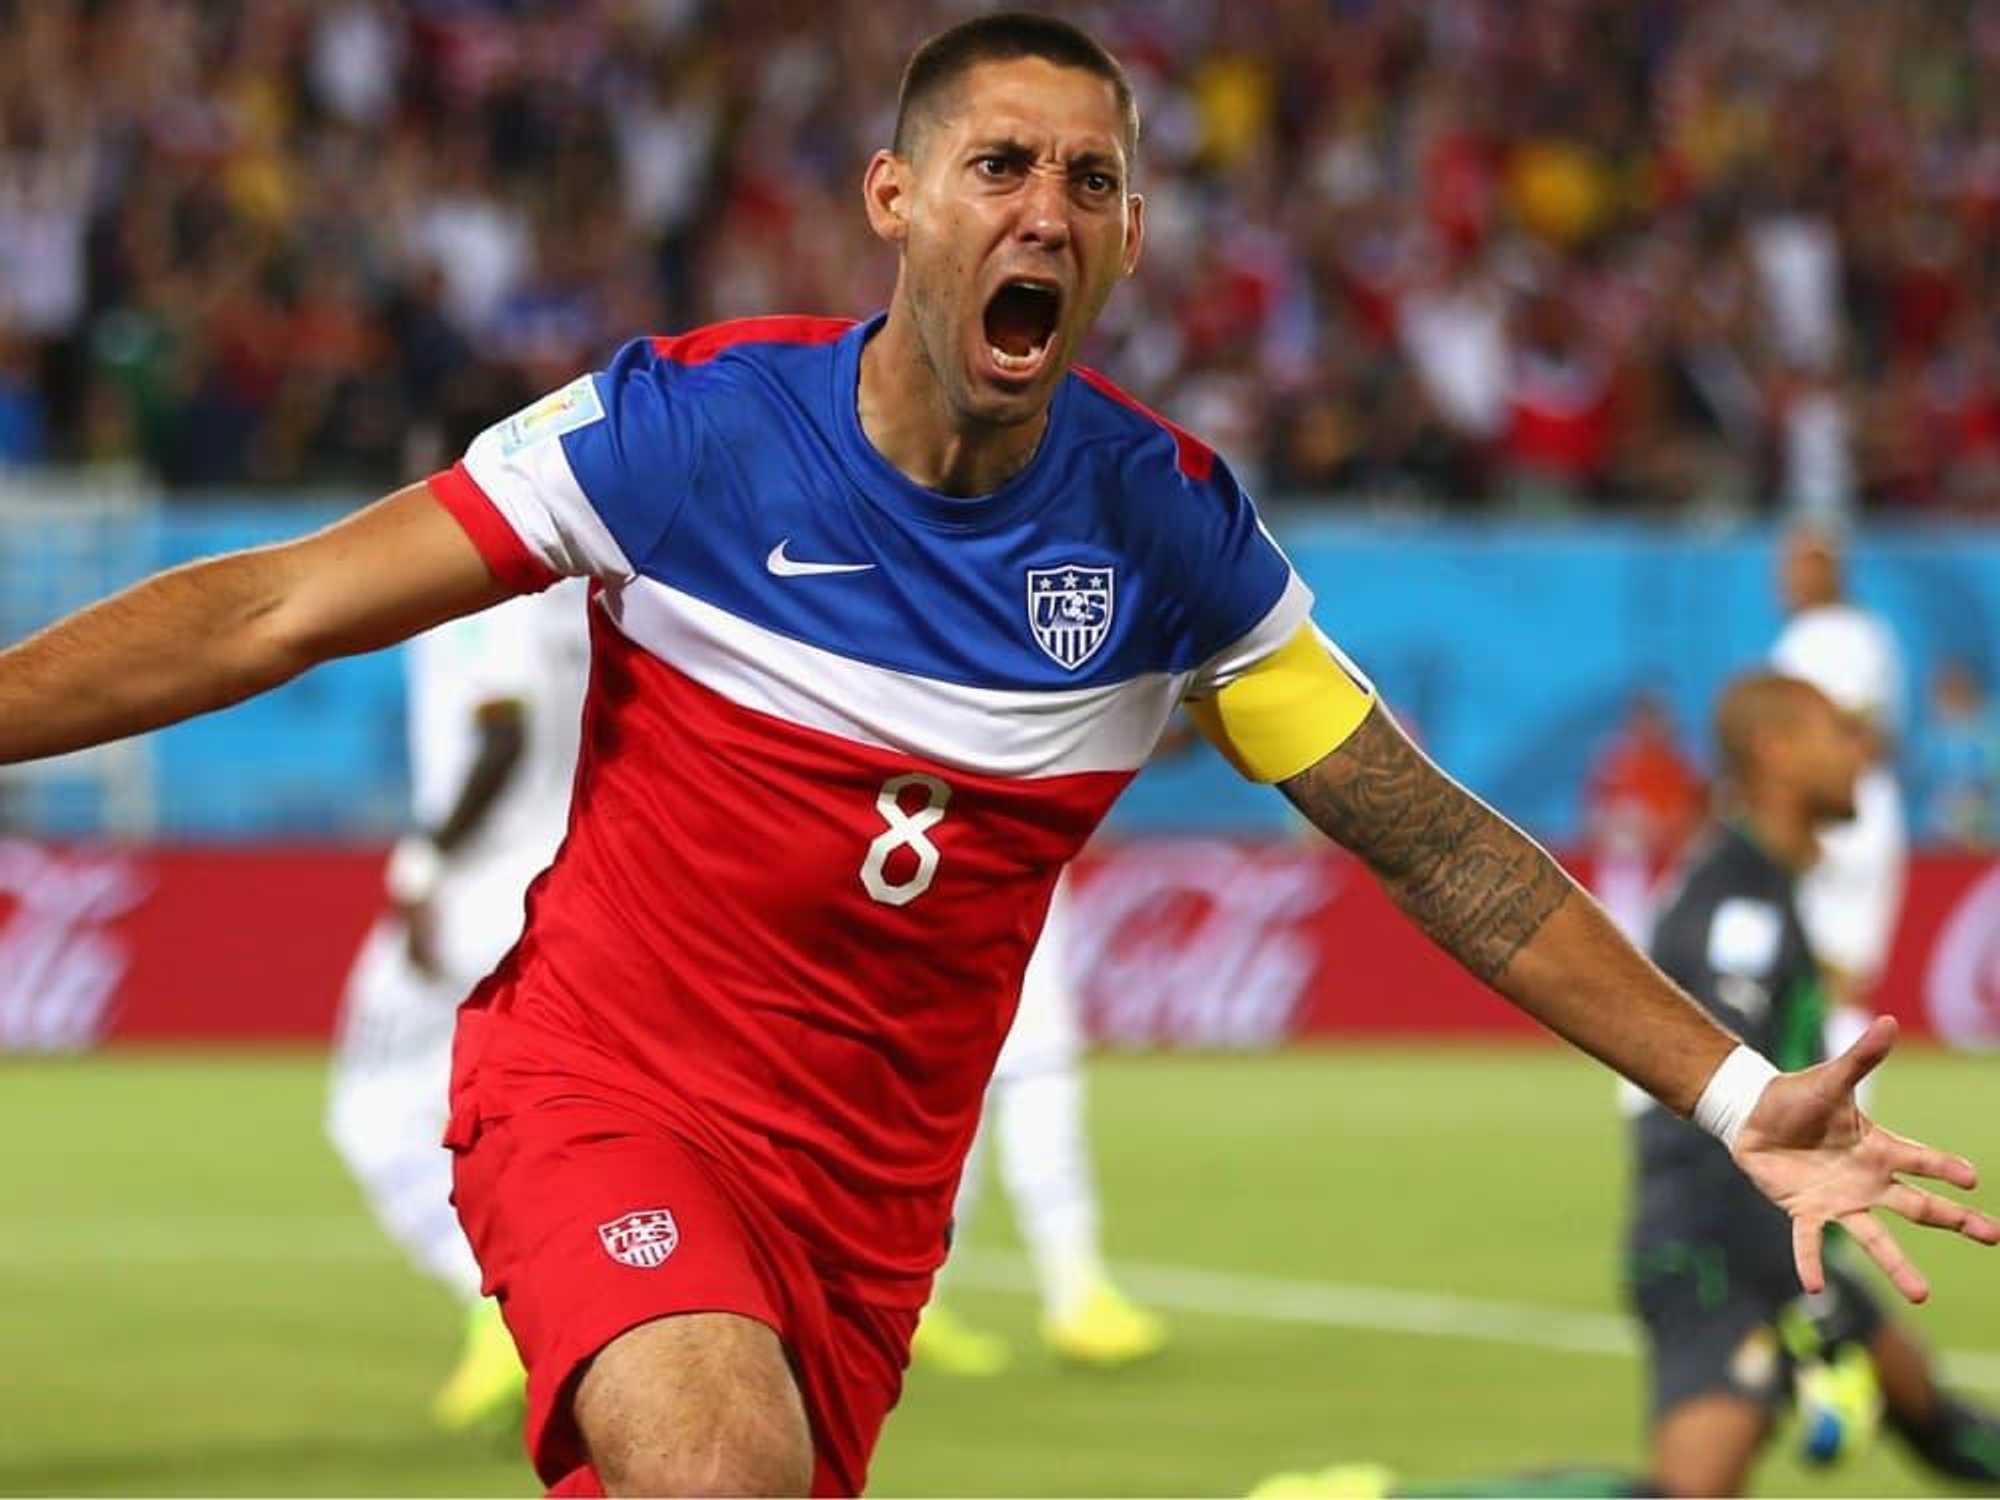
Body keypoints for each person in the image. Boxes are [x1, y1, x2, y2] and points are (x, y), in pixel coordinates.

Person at [0, 16, 1992, 1498]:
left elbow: (1434, 845)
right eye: (999, 164)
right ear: (897, 199)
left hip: (866, 1213)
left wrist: (1739, 1091)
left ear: (1127, 241)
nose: (1045, 208)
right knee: (719, 1471)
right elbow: (273, 606)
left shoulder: (1172, 543)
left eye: (1090, 181)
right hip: (602, 1093)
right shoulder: (683, 437)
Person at [1255, 673, 2000, 1500]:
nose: (1864, 753)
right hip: (1720, 1247)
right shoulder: (1735, 906)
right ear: (1776, 750)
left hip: (1772, 1241)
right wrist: (1801, 1296)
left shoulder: (1757, 885)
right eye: (1841, 733)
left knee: (1940, 1428)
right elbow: (1721, 1107)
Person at [325, 578, 589, 1431]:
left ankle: (504, 1306)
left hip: (481, 893)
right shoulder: (590, 585)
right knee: (553, 1120)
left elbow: (504, 727)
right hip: (573, 880)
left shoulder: (490, 594)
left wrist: (425, 863)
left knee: (374, 1112)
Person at [910, 872, 1167, 1375]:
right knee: (1045, 1164)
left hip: (952, 1018)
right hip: (1021, 1022)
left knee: (954, 1171)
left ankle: (920, 1307)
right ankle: (1077, 1302)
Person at [1770, 524, 1908, 1080]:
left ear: (1827, 572)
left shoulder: (1811, 639)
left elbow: (1825, 734)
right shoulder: (1874, 634)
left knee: (1822, 975)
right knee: (1840, 979)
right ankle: (1837, 1104)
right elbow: (1881, 730)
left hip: (1831, 812)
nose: (1784, 580)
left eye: (1796, 567)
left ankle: (1829, 1105)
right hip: (1868, 804)